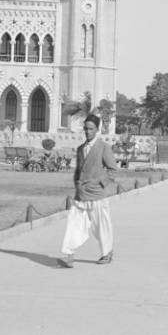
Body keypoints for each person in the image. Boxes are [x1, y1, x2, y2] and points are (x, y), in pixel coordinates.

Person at [58, 114, 118, 268]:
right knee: (74, 223)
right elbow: (79, 170)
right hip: (81, 194)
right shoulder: (80, 149)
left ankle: (107, 252)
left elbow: (112, 170)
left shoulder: (104, 147)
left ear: (97, 130)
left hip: (97, 194)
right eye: (85, 128)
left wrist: (101, 184)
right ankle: (69, 254)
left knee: (101, 226)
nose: (87, 132)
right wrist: (77, 185)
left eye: (91, 129)